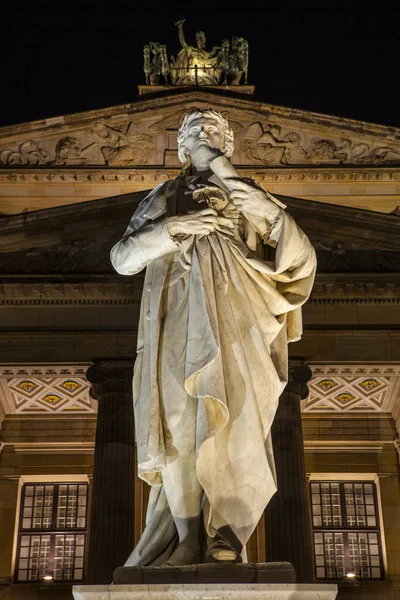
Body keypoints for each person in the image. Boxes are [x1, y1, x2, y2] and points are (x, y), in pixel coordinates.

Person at [110, 108, 316, 566]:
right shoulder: (163, 196)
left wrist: (227, 173)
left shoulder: (251, 197)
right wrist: (173, 228)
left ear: (228, 145)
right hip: (178, 324)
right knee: (181, 424)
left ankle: (226, 531)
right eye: (195, 132)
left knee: (238, 422)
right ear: (181, 146)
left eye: (214, 132)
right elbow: (123, 258)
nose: (205, 137)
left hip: (239, 322)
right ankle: (185, 535)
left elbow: (295, 249)